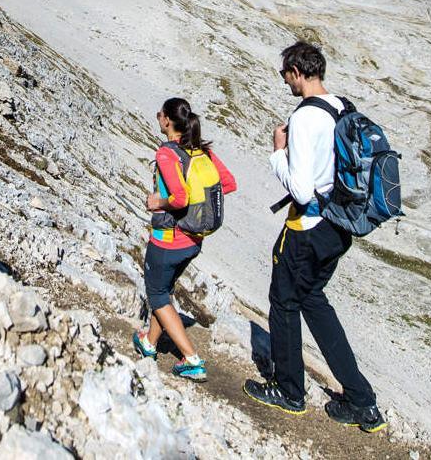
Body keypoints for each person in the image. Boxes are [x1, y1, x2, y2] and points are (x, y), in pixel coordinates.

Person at [243, 41, 386, 433]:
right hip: (339, 226)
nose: (285, 81)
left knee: (284, 301)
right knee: (314, 302)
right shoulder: (341, 106)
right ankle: (362, 402)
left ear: (296, 72)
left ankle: (289, 392)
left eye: (284, 74)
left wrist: (278, 154)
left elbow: (303, 190)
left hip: (307, 227)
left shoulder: (305, 118)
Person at [132, 97, 237, 382]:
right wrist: (198, 209)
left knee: (157, 294)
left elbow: (179, 198)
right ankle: (149, 343)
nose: (158, 119)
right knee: (163, 290)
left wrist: (158, 202)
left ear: (167, 120)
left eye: (159, 115)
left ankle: (191, 359)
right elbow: (228, 183)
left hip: (167, 239)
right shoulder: (202, 152)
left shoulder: (167, 154)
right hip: (194, 241)